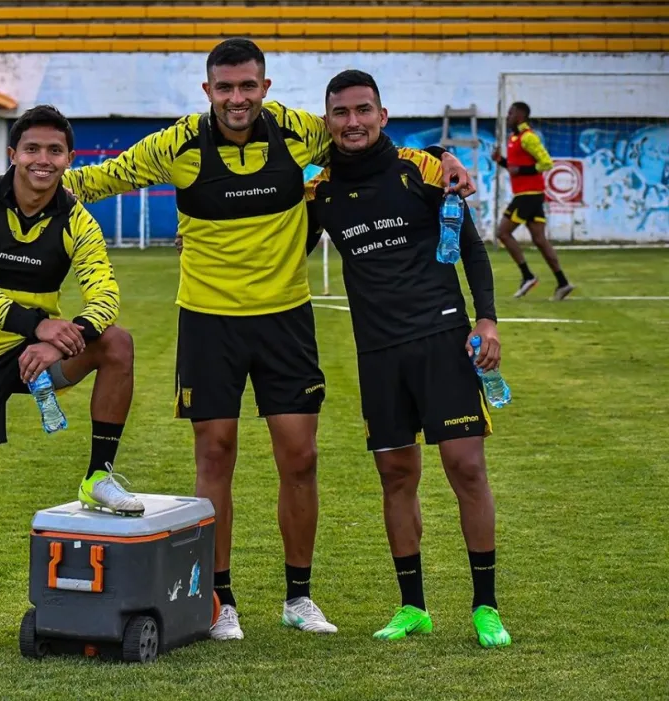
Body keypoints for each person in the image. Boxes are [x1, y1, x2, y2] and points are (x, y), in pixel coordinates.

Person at [60, 38, 474, 641]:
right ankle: (219, 600)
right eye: (225, 88)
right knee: (216, 456)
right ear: (208, 92)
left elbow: (370, 143)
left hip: (286, 320)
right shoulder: (175, 144)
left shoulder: (300, 132)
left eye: (248, 86)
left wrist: (443, 155)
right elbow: (98, 180)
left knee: (300, 458)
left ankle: (298, 597)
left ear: (266, 87)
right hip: (208, 322)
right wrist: (20, 176)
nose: (237, 98)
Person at [305, 70, 512, 648]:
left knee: (465, 468)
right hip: (377, 353)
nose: (353, 121)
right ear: (328, 121)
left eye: (363, 110)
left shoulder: (424, 168)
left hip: (442, 342)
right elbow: (279, 245)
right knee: (396, 476)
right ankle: (413, 606)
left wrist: (487, 319)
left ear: (382, 115)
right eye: (341, 112)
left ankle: (485, 607)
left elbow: (470, 245)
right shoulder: (319, 191)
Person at [0, 104, 142, 652]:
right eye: (32, 149)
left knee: (116, 341)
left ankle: (99, 474)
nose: (42, 160)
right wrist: (39, 325)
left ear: (69, 159)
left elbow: (105, 293)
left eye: (54, 151)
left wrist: (67, 331)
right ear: (12, 155)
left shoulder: (76, 217)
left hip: (33, 354)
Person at [492, 101, 575, 300]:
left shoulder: (528, 137)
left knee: (502, 233)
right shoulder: (515, 138)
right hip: (530, 194)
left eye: (511, 113)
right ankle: (563, 283)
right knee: (540, 240)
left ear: (520, 116)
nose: (508, 116)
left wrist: (523, 170)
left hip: (528, 195)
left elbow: (546, 162)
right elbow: (515, 168)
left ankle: (527, 276)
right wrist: (501, 161)